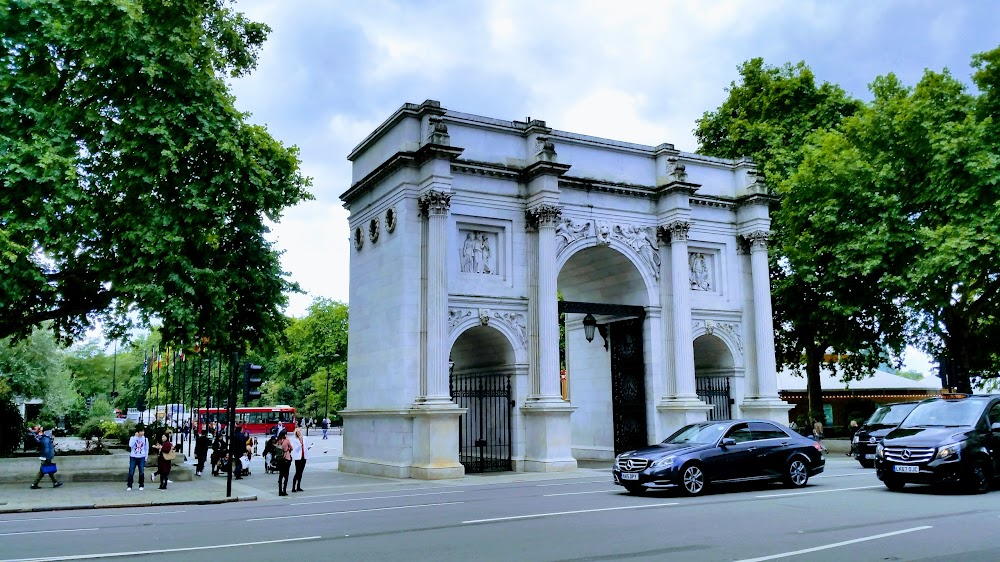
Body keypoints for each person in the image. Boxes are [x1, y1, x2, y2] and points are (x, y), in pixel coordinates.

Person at [127, 426, 149, 491]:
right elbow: (130, 445)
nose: (142, 433)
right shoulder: (133, 438)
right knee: (131, 471)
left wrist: (145, 457)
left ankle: (141, 485)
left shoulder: (145, 439)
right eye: (141, 431)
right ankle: (129, 485)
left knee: (141, 472)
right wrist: (135, 437)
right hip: (133, 457)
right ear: (138, 432)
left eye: (143, 431)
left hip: (141, 457)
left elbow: (146, 449)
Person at [289, 427, 311, 492]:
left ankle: (298, 486)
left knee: (301, 472)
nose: (299, 433)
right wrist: (300, 444)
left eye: (299, 432)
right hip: (298, 458)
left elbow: (307, 446)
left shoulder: (305, 438)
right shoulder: (295, 440)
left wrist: (308, 447)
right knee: (297, 472)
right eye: (297, 432)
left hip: (304, 457)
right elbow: (295, 449)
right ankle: (293, 487)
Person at [276, 429, 293, 496]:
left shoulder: (278, 440)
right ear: (285, 434)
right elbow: (291, 448)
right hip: (286, 458)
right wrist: (288, 449)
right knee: (286, 475)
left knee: (281, 475)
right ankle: (284, 490)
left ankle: (280, 491)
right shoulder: (287, 440)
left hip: (280, 459)